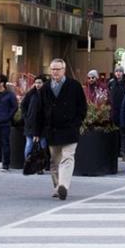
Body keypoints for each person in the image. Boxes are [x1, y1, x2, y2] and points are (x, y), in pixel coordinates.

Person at [39, 59, 87, 200]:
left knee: (67, 157)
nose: (55, 72)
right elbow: (39, 110)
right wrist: (38, 131)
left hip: (70, 129)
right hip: (52, 130)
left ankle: (63, 186)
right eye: (53, 69)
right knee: (55, 160)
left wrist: (77, 122)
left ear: (64, 70)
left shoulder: (74, 86)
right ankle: (57, 186)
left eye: (58, 69)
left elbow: (82, 107)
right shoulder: (45, 88)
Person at [21, 75, 47, 164]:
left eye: (40, 83)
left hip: (43, 125)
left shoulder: (48, 95)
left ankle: (40, 165)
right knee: (29, 144)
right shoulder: (31, 94)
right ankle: (28, 163)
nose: (37, 85)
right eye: (36, 83)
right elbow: (23, 105)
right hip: (31, 124)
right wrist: (26, 117)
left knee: (42, 145)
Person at [108, 65, 125, 156]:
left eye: (120, 71)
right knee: (115, 132)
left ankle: (123, 151)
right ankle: (116, 151)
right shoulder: (111, 83)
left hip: (124, 110)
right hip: (114, 111)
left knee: (123, 132)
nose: (118, 73)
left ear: (123, 73)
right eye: (116, 71)